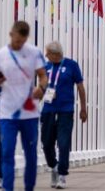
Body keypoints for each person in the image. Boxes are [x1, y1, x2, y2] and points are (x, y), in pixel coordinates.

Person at [0, 21, 47, 191]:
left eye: (22, 41)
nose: (19, 44)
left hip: (29, 112)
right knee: (7, 153)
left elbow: (43, 75)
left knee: (31, 154)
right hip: (8, 113)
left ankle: (29, 187)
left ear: (26, 38)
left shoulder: (34, 53)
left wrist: (42, 88)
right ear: (11, 34)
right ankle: (8, 188)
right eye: (16, 41)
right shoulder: (0, 55)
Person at [39, 41, 86, 189]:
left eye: (48, 53)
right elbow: (41, 88)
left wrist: (83, 108)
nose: (46, 56)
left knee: (63, 142)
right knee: (46, 143)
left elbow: (80, 87)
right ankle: (53, 166)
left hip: (65, 110)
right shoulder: (46, 67)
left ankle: (62, 175)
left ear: (55, 54)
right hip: (48, 109)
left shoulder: (71, 65)